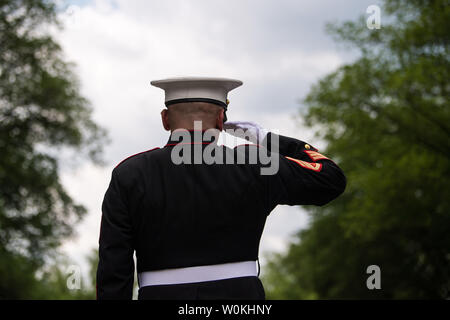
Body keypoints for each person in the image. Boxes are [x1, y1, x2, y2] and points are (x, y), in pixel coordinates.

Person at [96, 77, 346, 300]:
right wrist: (265, 139)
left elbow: (113, 268)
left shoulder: (129, 174)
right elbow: (330, 179)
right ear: (221, 119)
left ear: (165, 119)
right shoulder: (254, 163)